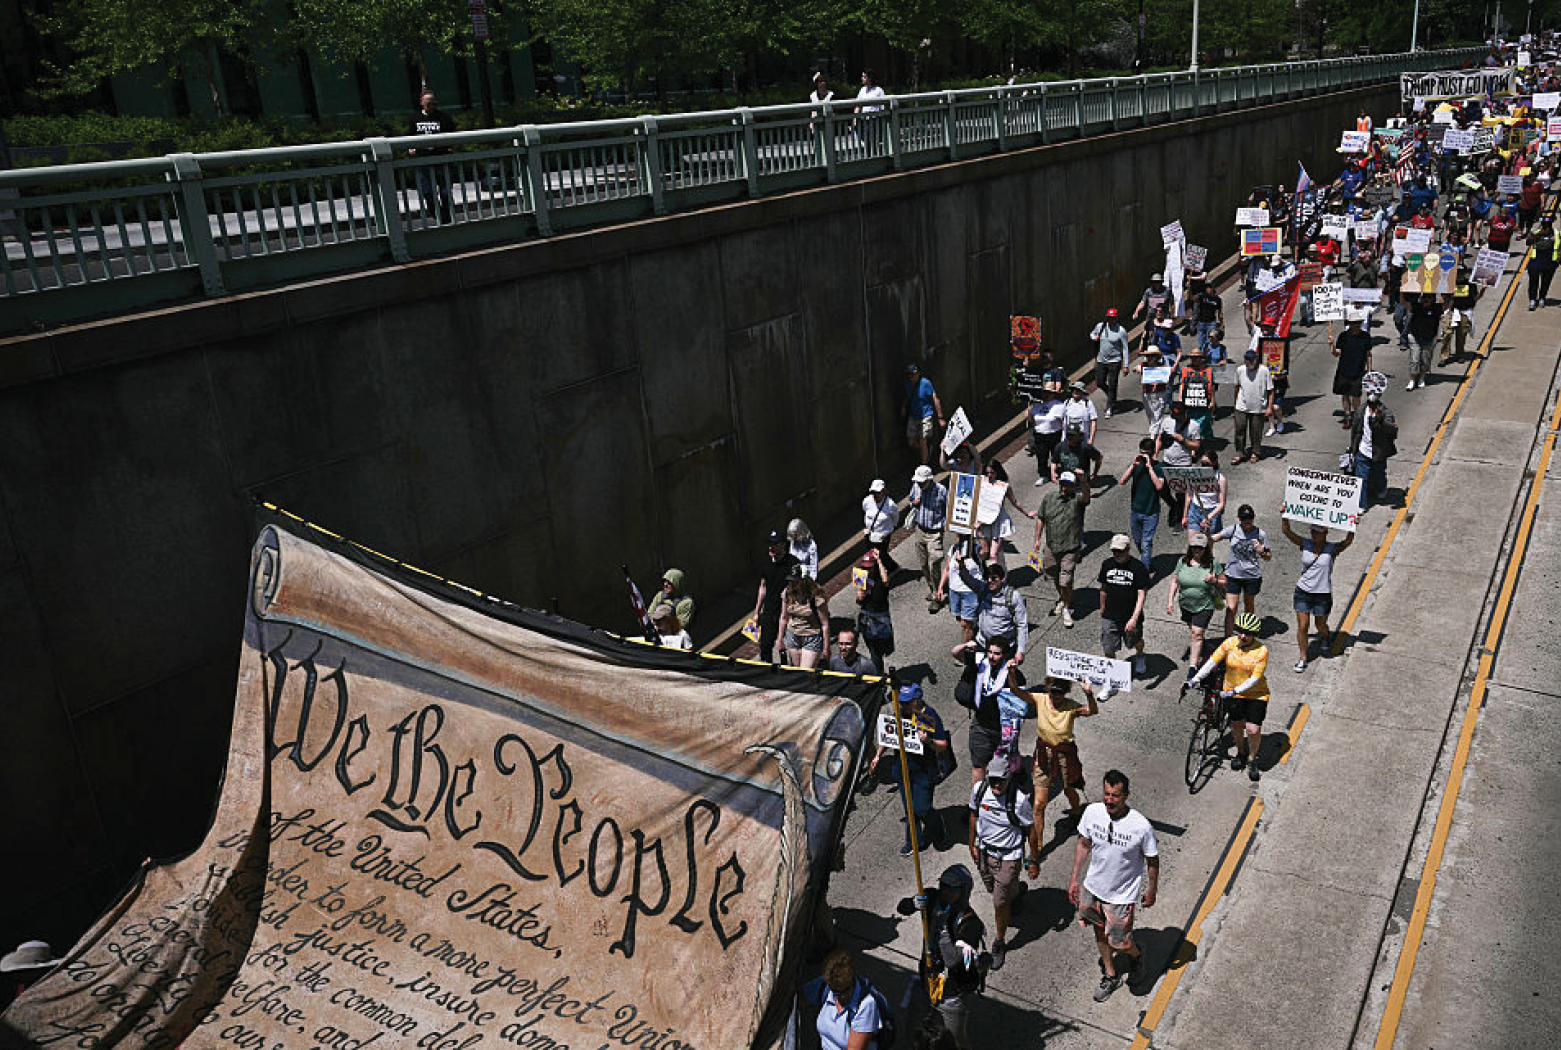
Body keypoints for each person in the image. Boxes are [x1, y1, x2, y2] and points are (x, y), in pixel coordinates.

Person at [1069, 770, 1159, 1002]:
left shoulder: (1140, 826)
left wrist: (1151, 889)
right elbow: (1083, 844)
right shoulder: (1092, 812)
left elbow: (1152, 860)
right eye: (1107, 794)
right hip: (1093, 887)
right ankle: (1110, 974)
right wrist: (1074, 879)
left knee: (1121, 942)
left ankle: (1137, 955)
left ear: (1126, 795)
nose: (1109, 800)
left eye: (1115, 795)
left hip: (1121, 895)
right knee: (1098, 930)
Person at [968, 751, 1038, 973]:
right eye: (993, 779)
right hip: (984, 853)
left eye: (1002, 780)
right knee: (994, 890)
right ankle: (1015, 892)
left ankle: (999, 942)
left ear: (1009, 778)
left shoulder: (1019, 802)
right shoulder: (980, 791)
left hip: (1009, 857)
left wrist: (1033, 860)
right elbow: (973, 815)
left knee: (999, 903)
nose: (997, 784)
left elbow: (1031, 831)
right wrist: (971, 843)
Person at [1189, 612, 1271, 781]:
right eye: (1239, 631)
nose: (1242, 636)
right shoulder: (1229, 644)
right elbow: (1212, 662)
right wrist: (1194, 679)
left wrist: (1234, 691)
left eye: (1247, 633)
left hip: (1256, 694)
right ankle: (1241, 753)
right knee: (1237, 725)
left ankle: (1252, 759)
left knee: (1253, 729)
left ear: (1254, 635)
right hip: (1232, 691)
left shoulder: (1261, 651)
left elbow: (1255, 679)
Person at [870, 684, 950, 855]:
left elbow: (942, 745)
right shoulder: (900, 714)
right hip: (902, 768)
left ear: (917, 700)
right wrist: (877, 755)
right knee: (909, 809)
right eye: (901, 702)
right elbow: (888, 734)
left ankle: (937, 825)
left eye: (907, 702)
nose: (903, 706)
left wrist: (928, 741)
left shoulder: (927, 716)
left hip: (923, 771)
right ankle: (913, 841)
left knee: (921, 808)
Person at [916, 865, 986, 1048]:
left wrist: (944, 930)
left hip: (952, 991)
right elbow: (903, 907)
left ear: (963, 891)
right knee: (919, 1030)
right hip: (928, 978)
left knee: (955, 1038)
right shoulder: (932, 898)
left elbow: (952, 960)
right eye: (944, 886)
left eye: (952, 888)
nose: (946, 892)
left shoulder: (969, 922)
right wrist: (913, 903)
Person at [1029, 678, 1097, 856]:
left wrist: (1089, 693)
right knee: (1038, 804)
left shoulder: (1071, 706)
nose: (1056, 696)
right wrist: (1011, 674)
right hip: (1044, 753)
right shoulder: (1040, 699)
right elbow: (1016, 691)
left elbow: (1092, 711)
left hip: (1064, 753)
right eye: (1053, 692)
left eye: (1060, 693)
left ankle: (1076, 811)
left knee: (1069, 789)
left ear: (1065, 693)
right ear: (1048, 690)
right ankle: (1038, 847)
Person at [1281, 518, 1355, 672]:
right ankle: (1303, 657)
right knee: (1303, 626)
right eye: (1313, 531)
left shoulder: (1332, 549)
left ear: (1326, 533)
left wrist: (1352, 525)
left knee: (1320, 625)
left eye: (1319, 532)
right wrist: (1285, 516)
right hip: (1303, 592)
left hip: (1322, 594)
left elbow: (1347, 541)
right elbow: (1287, 532)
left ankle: (1326, 636)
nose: (1315, 534)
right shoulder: (1305, 544)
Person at [953, 636, 1025, 785]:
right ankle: (975, 804)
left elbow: (1021, 701)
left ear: (1005, 655)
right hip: (981, 725)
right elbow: (955, 653)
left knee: (1008, 763)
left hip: (1003, 728)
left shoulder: (1015, 675)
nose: (992, 656)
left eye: (997, 653)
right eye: (990, 652)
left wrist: (1011, 674)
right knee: (979, 766)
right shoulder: (980, 663)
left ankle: (1018, 774)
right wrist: (966, 644)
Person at [1096, 536, 1150, 697]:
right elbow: (1103, 588)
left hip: (1130, 615)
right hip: (1110, 615)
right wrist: (1102, 607)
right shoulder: (1107, 565)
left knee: (1134, 642)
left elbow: (1141, 594)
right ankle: (1110, 682)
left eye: (1120, 551)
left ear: (1127, 550)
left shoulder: (1138, 568)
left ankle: (1140, 655)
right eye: (1114, 551)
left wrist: (1134, 618)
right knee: (1108, 648)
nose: (1116, 554)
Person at [1035, 471, 1090, 627]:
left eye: (1069, 485)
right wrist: (1038, 539)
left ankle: (1066, 607)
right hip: (1051, 546)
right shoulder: (1049, 498)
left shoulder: (1077, 500)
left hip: (1070, 548)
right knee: (1053, 575)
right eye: (1063, 484)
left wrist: (1083, 480)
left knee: (1065, 580)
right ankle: (1064, 598)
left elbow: (1086, 496)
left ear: (1074, 486)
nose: (1065, 488)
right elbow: (1041, 518)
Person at [1167, 533, 1225, 676]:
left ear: (1206, 549)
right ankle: (1201, 645)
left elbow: (1224, 582)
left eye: (1200, 548)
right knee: (1193, 630)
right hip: (1186, 604)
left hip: (1205, 604)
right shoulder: (1182, 561)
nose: (1197, 550)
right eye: (1194, 548)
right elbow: (1175, 581)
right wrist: (1170, 601)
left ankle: (1193, 666)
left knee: (1197, 634)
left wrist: (1214, 581)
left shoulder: (1213, 564)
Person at [802, 950, 884, 1050]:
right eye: (835, 992)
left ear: (852, 981)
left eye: (845, 991)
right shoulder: (825, 986)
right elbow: (798, 1000)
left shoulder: (866, 1005)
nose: (840, 997)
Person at [1212, 504, 1271, 639]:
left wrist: (1262, 552)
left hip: (1252, 576)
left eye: (1250, 517)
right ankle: (1227, 639)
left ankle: (1248, 635)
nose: (1247, 521)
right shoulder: (1233, 530)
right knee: (1231, 608)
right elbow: (1214, 538)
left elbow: (1268, 557)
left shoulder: (1260, 534)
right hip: (1233, 575)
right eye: (1244, 518)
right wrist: (1206, 531)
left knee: (1249, 606)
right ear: (1239, 518)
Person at [408, 90, 456, 225]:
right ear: (421, 103)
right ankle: (436, 214)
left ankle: (447, 217)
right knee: (427, 191)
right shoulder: (414, 119)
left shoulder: (443, 118)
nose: (431, 105)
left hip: (441, 160)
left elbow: (452, 134)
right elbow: (408, 137)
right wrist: (411, 148)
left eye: (433, 103)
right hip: (423, 161)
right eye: (428, 103)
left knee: (445, 192)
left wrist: (451, 147)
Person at [906, 465, 949, 612]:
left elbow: (949, 509)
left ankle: (937, 597)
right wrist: (913, 503)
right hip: (920, 530)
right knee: (923, 564)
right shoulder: (916, 487)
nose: (919, 484)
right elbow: (910, 500)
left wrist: (945, 525)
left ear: (930, 479)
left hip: (935, 533)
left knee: (934, 563)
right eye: (918, 482)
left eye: (922, 482)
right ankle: (933, 589)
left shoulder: (941, 490)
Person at [753, 530, 800, 662]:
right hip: (770, 609)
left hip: (788, 610)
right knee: (765, 645)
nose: (770, 547)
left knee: (790, 645)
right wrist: (757, 612)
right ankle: (767, 672)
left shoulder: (792, 563)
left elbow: (798, 588)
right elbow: (763, 587)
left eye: (774, 544)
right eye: (769, 543)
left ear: (783, 545)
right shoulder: (765, 563)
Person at [1120, 438, 1165, 570]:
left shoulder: (1159, 467)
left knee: (1146, 543)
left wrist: (1150, 467)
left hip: (1151, 512)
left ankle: (1144, 573)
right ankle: (1147, 560)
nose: (1144, 456)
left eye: (1147, 453)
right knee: (1139, 542)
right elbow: (1122, 481)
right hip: (1136, 511)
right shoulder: (1136, 465)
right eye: (1142, 452)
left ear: (1152, 453)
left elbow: (1159, 486)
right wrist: (1133, 465)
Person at [1350, 393, 1398, 511]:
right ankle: (1362, 504)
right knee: (1361, 478)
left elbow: (1393, 432)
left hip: (1378, 451)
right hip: (1363, 450)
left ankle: (1381, 488)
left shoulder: (1386, 413)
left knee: (1379, 473)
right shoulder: (1361, 409)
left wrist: (1381, 420)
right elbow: (1355, 429)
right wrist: (1353, 448)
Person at [980, 460, 1035, 563]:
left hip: (998, 521)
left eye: (992, 473)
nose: (989, 475)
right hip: (983, 521)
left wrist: (1027, 513)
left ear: (997, 472)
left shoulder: (1004, 486)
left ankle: (997, 577)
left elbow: (1015, 501)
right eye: (987, 473)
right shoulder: (981, 482)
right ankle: (999, 573)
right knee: (985, 553)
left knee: (993, 554)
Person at [973, 563, 1029, 662]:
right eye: (987, 578)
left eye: (994, 578)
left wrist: (1020, 651)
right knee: (979, 674)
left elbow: (1022, 624)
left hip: (1003, 649)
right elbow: (968, 580)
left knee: (1003, 675)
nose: (990, 581)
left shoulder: (1013, 597)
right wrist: (961, 566)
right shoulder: (983, 589)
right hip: (983, 644)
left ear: (1003, 579)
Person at [937, 531, 984, 646]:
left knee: (966, 624)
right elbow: (947, 569)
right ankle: (975, 629)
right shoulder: (953, 548)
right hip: (954, 591)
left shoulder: (977, 549)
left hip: (970, 592)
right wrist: (940, 586)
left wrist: (979, 532)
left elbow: (986, 550)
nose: (960, 537)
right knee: (960, 619)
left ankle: (965, 651)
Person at [781, 564, 830, 669]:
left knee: (805, 673)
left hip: (811, 636)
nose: (793, 583)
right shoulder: (788, 593)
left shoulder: (816, 597)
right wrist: (780, 639)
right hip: (792, 635)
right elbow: (784, 617)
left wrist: (826, 648)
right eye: (791, 580)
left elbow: (825, 624)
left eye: (796, 581)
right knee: (797, 672)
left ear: (804, 581)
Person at [1231, 348, 1275, 464]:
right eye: (1247, 360)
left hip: (1258, 407)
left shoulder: (1264, 371)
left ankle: (1255, 452)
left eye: (1251, 360)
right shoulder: (1240, 370)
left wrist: (1269, 407)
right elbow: (1236, 387)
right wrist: (1235, 403)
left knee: (1256, 431)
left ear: (1256, 360)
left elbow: (1270, 390)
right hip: (1241, 406)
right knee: (1239, 429)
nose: (1249, 362)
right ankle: (1240, 452)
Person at [855, 549, 895, 670]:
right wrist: (860, 595)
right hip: (867, 618)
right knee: (874, 651)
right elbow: (858, 601)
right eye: (865, 567)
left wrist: (879, 560)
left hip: (881, 618)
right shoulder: (861, 578)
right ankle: (879, 676)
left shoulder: (880, 580)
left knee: (885, 648)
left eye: (870, 567)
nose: (867, 570)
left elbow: (885, 581)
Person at [1332, 317, 1374, 425]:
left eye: (1358, 323)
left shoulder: (1365, 336)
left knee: (1356, 395)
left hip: (1358, 371)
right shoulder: (1343, 336)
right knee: (1345, 394)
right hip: (1343, 369)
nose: (1356, 325)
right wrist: (1331, 346)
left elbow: (1368, 354)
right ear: (1349, 324)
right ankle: (1348, 416)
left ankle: (1357, 416)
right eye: (1353, 323)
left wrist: (1369, 371)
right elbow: (1337, 353)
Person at [1090, 309, 1131, 416]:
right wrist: (1094, 337)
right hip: (1101, 360)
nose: (1110, 320)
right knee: (1099, 382)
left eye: (1112, 318)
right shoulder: (1101, 326)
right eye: (1108, 318)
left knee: (1113, 384)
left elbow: (1125, 349)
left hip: (1115, 361)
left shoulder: (1121, 331)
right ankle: (1111, 396)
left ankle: (1110, 406)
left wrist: (1126, 365)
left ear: (1116, 318)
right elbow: (1092, 334)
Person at [903, 363, 946, 465]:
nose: (912, 377)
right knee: (911, 442)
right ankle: (927, 450)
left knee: (922, 439)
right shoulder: (908, 384)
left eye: (913, 374)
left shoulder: (926, 383)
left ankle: (924, 464)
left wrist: (940, 417)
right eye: (910, 375)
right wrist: (904, 407)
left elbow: (935, 399)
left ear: (918, 374)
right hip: (914, 416)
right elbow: (908, 397)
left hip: (926, 415)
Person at [1182, 449, 1226, 537]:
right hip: (1194, 510)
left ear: (1214, 463)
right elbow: (1189, 495)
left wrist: (1209, 517)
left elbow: (1222, 504)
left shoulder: (1220, 479)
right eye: (1203, 463)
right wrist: (1185, 515)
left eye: (1207, 464)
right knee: (1193, 544)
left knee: (1207, 546)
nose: (1204, 466)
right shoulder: (1194, 475)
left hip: (1211, 512)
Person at [1405, 291, 1443, 390]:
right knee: (1414, 359)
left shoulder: (1436, 308)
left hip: (1429, 339)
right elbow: (1404, 303)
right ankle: (1412, 379)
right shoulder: (1416, 307)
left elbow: (1447, 306)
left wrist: (1450, 294)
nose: (1426, 300)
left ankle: (1422, 377)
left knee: (1425, 359)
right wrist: (1402, 291)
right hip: (1415, 338)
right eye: (1424, 297)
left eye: (1428, 297)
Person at [1028, 380, 1067, 477]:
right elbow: (1032, 421)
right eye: (1045, 392)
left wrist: (1064, 436)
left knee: (1057, 456)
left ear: (1053, 394)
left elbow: (1064, 422)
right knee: (1041, 457)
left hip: (1054, 434)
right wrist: (1028, 413)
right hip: (1040, 435)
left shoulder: (1059, 405)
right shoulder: (1037, 405)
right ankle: (1043, 475)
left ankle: (1059, 473)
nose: (1046, 394)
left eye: (1049, 392)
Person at [862, 479, 901, 572]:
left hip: (884, 534)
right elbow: (865, 511)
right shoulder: (867, 501)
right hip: (871, 533)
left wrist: (890, 528)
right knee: (873, 554)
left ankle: (893, 568)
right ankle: (878, 571)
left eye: (878, 492)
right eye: (873, 492)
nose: (875, 495)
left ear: (883, 491)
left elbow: (895, 517)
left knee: (881, 554)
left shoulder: (890, 504)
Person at [1528, 218, 1559, 310]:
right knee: (1533, 281)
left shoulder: (1557, 234)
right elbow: (1528, 242)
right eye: (1544, 225)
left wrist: (1558, 259)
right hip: (1536, 260)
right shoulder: (1535, 232)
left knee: (1546, 281)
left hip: (1550, 260)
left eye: (1548, 225)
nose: (1546, 227)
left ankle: (1542, 298)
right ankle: (1533, 300)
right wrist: (1538, 234)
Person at [1189, 283, 1224, 352]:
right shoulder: (1202, 296)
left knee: (1210, 342)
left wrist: (1222, 324)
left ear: (1213, 288)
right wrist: (1189, 289)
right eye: (1207, 287)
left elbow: (1220, 313)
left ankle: (1209, 356)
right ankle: (1201, 356)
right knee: (1201, 342)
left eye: (1209, 287)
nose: (1208, 289)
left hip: (1211, 323)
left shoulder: (1217, 299)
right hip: (1201, 322)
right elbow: (1192, 298)